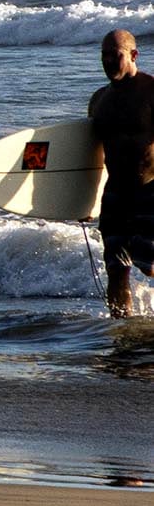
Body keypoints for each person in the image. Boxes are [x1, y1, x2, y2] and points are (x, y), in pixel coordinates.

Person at [95, 29, 154, 319]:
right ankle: (122, 328)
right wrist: (81, 199)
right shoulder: (99, 100)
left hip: (150, 191)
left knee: (150, 263)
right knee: (117, 269)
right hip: (115, 195)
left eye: (114, 55)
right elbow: (90, 155)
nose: (107, 61)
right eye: (103, 55)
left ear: (133, 55)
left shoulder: (152, 92)